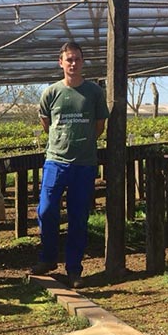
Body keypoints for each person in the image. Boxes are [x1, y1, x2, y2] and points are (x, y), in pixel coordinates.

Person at [29, 41, 108, 288]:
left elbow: (99, 126)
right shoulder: (51, 93)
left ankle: (74, 269)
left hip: (84, 164)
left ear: (83, 62)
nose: (73, 63)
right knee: (46, 209)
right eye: (69, 59)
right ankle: (48, 258)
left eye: (77, 59)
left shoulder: (94, 92)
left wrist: (83, 143)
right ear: (60, 62)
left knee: (78, 217)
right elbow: (46, 122)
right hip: (56, 160)